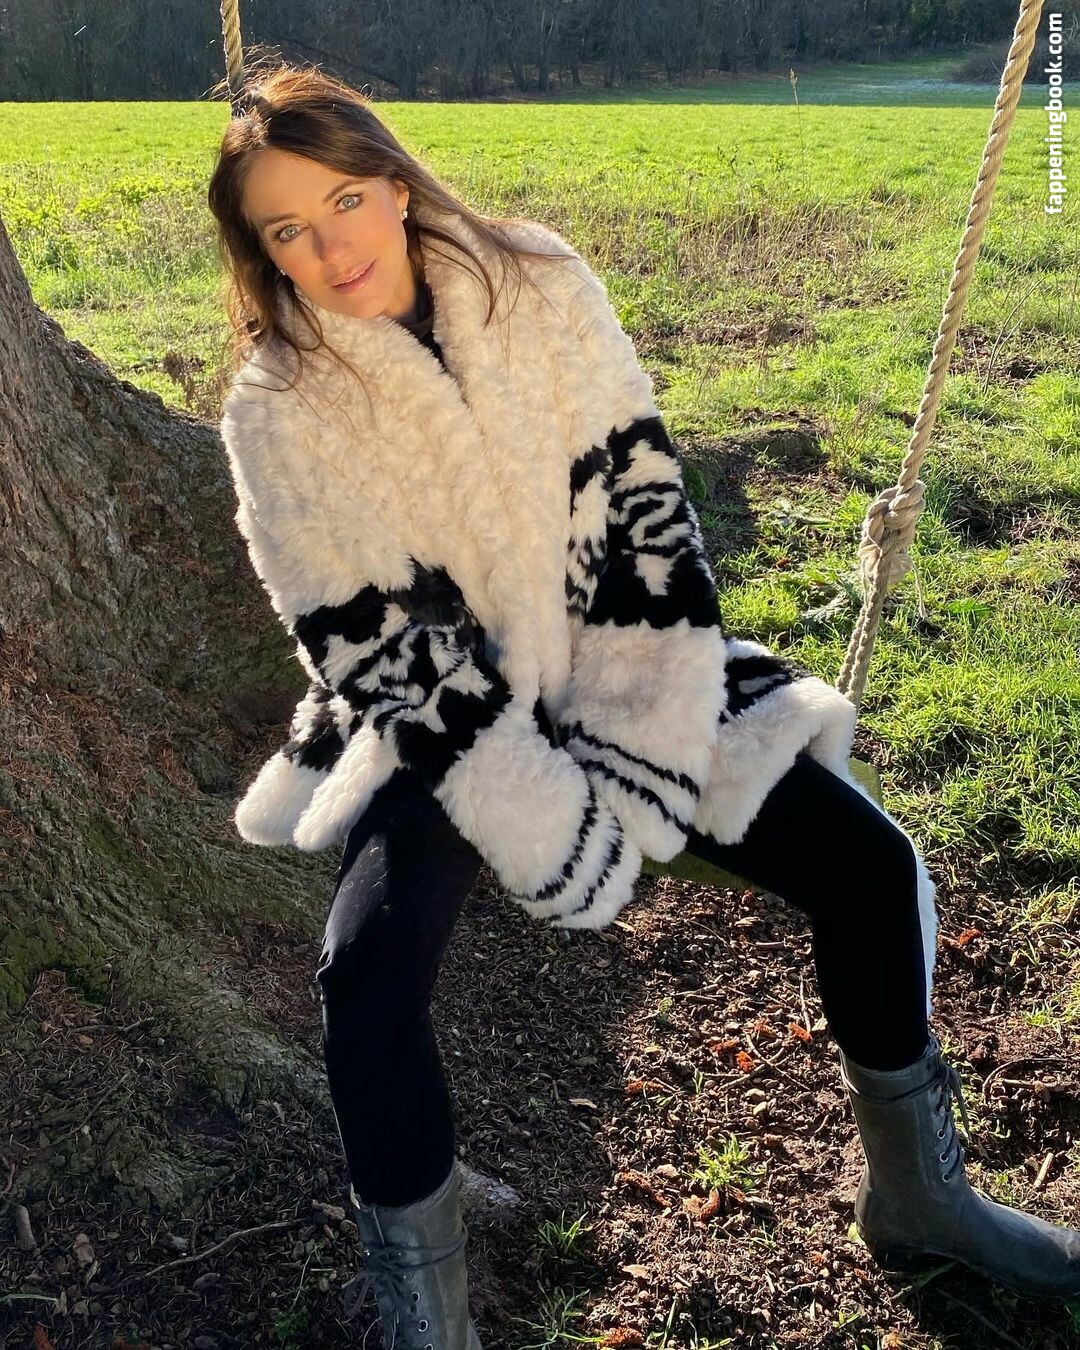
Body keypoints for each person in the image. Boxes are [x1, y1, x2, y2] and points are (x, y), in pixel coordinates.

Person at [207, 60, 1080, 1349]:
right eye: (287, 229)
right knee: (365, 977)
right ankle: (426, 1312)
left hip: (619, 647)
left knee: (867, 862)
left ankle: (919, 1196)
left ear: (391, 183)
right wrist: (534, 809)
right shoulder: (276, 405)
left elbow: (642, 507)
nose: (329, 250)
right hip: (440, 712)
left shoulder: (536, 281)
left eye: (343, 201)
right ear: (262, 252)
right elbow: (365, 633)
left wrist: (649, 713)